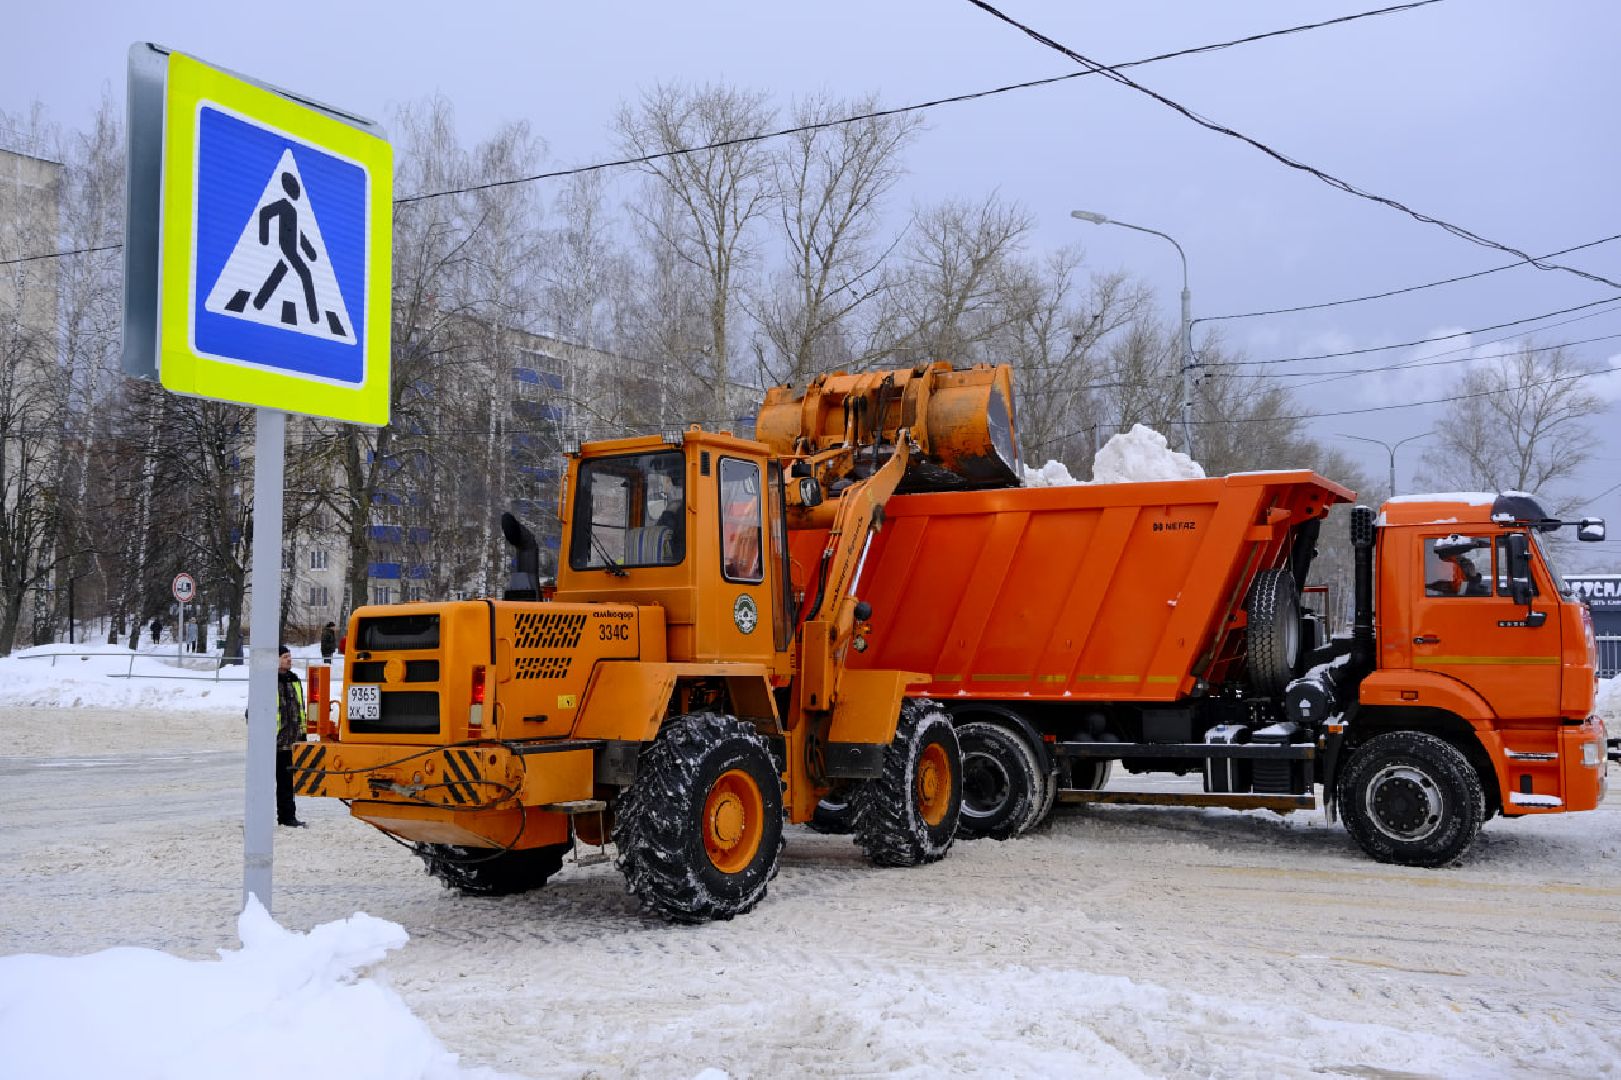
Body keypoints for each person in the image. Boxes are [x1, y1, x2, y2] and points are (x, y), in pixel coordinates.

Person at [275, 645, 308, 828]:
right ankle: (262, 818)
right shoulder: (267, 680)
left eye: (290, 656)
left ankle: (288, 817)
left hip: (291, 742)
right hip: (274, 742)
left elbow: (300, 709)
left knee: (287, 783)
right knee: (267, 783)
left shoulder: (294, 679)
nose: (289, 659)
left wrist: (302, 734)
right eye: (285, 656)